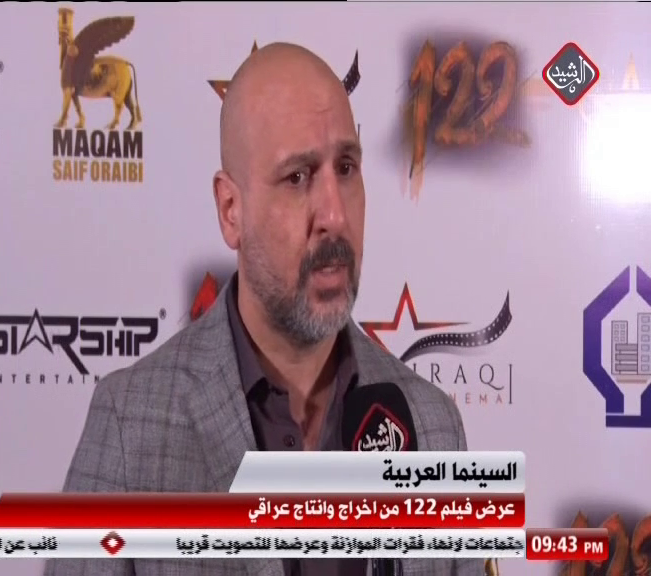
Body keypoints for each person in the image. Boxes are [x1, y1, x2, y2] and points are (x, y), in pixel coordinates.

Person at [45, 43, 482, 576]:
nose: (334, 215)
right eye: (297, 177)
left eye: (346, 168)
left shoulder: (433, 428)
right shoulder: (130, 425)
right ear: (231, 211)